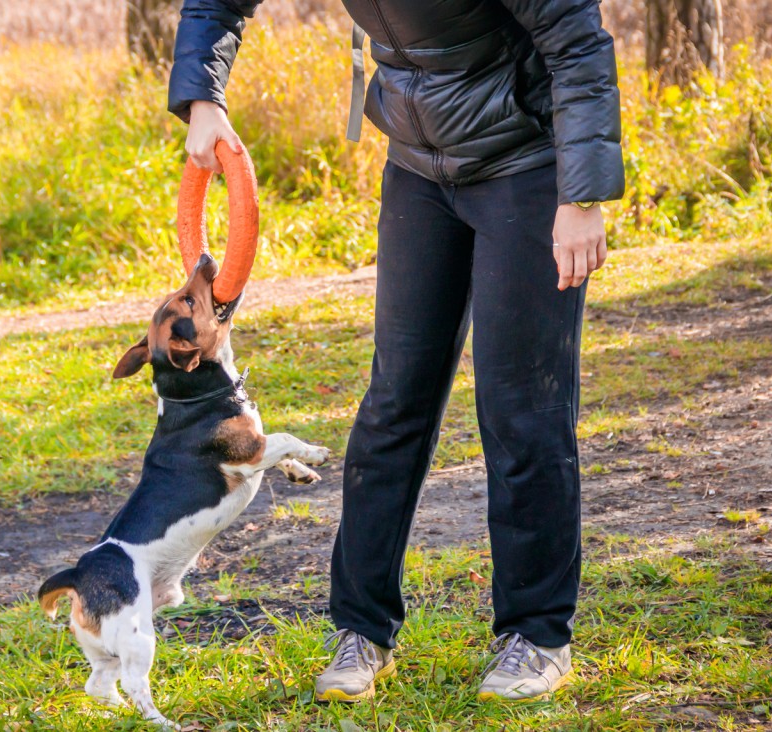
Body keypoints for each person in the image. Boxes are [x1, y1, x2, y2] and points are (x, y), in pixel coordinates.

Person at [168, 0, 623, 703]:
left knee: (521, 409)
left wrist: (582, 195)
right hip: (418, 166)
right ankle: (362, 631)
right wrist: (202, 97)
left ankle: (537, 635)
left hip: (527, 165)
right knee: (392, 406)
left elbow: (576, 41)